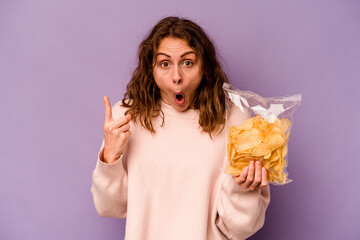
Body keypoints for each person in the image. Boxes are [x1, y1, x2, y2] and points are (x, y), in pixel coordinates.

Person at [91, 16, 270, 240]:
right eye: (165, 64)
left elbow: (239, 230)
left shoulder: (235, 119)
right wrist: (110, 157)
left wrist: (243, 188)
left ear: (204, 67)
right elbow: (109, 208)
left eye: (187, 63)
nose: (177, 77)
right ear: (151, 70)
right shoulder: (126, 117)